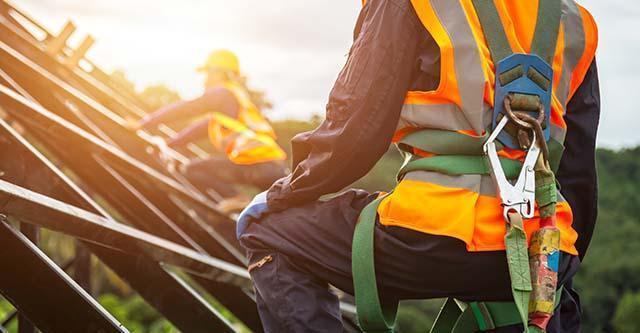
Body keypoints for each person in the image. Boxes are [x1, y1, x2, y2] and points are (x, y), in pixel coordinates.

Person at [236, 0, 599, 332]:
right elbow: (579, 173)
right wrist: (557, 261)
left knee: (267, 230)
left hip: (435, 232)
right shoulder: (576, 23)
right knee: (541, 302)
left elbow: (355, 132)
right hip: (544, 246)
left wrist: (287, 191)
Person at [137, 50, 288, 208]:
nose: (206, 79)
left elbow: (186, 108)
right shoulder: (234, 103)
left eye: (208, 72)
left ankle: (236, 198)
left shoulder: (222, 93)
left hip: (255, 163)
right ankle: (235, 203)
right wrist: (169, 144)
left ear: (219, 73)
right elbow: (196, 131)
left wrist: (144, 123)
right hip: (273, 167)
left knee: (192, 169)